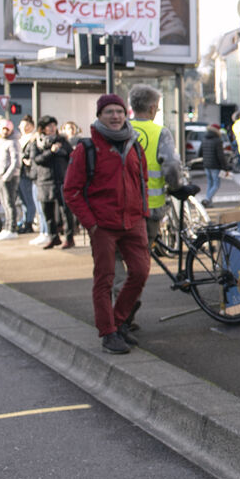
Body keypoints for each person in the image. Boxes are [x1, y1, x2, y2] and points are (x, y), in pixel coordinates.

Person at [62, 94, 151, 354]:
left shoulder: (134, 146)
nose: (115, 116)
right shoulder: (86, 149)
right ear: (99, 116)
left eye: (119, 111)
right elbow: (71, 191)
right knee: (104, 279)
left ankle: (119, 321)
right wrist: (91, 224)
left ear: (126, 114)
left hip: (133, 222)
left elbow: (143, 181)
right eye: (109, 112)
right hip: (103, 225)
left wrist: (143, 213)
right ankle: (108, 333)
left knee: (140, 271)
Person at [128, 85, 183, 247]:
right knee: (141, 252)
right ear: (152, 108)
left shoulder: (121, 129)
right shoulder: (160, 132)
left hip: (122, 206)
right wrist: (175, 187)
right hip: (149, 206)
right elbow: (171, 165)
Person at [28, 116, 74, 249]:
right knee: (47, 213)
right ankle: (53, 237)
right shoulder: (36, 143)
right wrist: (51, 152)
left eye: (54, 125)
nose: (52, 128)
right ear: (43, 128)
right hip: (44, 181)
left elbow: (71, 156)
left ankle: (69, 238)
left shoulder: (62, 141)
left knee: (65, 212)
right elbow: (36, 160)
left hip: (61, 180)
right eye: (49, 126)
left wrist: (60, 151)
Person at [0, 117, 22, 240]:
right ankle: (7, 227)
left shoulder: (13, 142)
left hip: (9, 178)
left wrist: (7, 176)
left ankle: (12, 228)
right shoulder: (0, 141)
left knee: (9, 203)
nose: (4, 131)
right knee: (4, 203)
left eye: (7, 129)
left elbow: (16, 162)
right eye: (2, 129)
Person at [17, 115, 38, 233]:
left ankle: (29, 222)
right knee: (23, 200)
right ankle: (25, 220)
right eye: (22, 126)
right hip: (19, 172)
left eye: (27, 126)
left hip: (27, 173)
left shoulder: (32, 139)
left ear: (32, 126)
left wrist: (27, 160)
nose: (24, 128)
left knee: (29, 199)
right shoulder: (20, 139)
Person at [199, 124, 226, 206]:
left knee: (210, 183)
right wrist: (225, 166)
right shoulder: (218, 140)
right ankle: (207, 199)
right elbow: (220, 155)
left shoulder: (204, 139)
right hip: (215, 165)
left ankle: (209, 203)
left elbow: (200, 152)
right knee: (216, 184)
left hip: (206, 165)